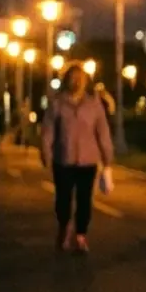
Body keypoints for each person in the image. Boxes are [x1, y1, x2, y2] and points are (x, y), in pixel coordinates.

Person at [38, 68, 113, 254]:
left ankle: (80, 234)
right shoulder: (57, 104)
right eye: (72, 79)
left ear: (86, 81)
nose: (77, 82)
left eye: (80, 79)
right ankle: (64, 226)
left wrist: (107, 159)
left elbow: (102, 133)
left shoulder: (94, 104)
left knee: (84, 199)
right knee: (63, 198)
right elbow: (48, 131)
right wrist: (45, 152)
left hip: (88, 160)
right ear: (66, 81)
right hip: (63, 159)